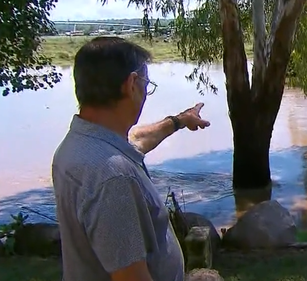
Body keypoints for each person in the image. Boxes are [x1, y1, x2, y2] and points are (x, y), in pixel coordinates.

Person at [52, 36, 210, 281]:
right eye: (147, 83)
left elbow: (136, 141)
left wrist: (179, 121)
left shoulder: (80, 144)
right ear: (132, 84)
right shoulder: (113, 176)